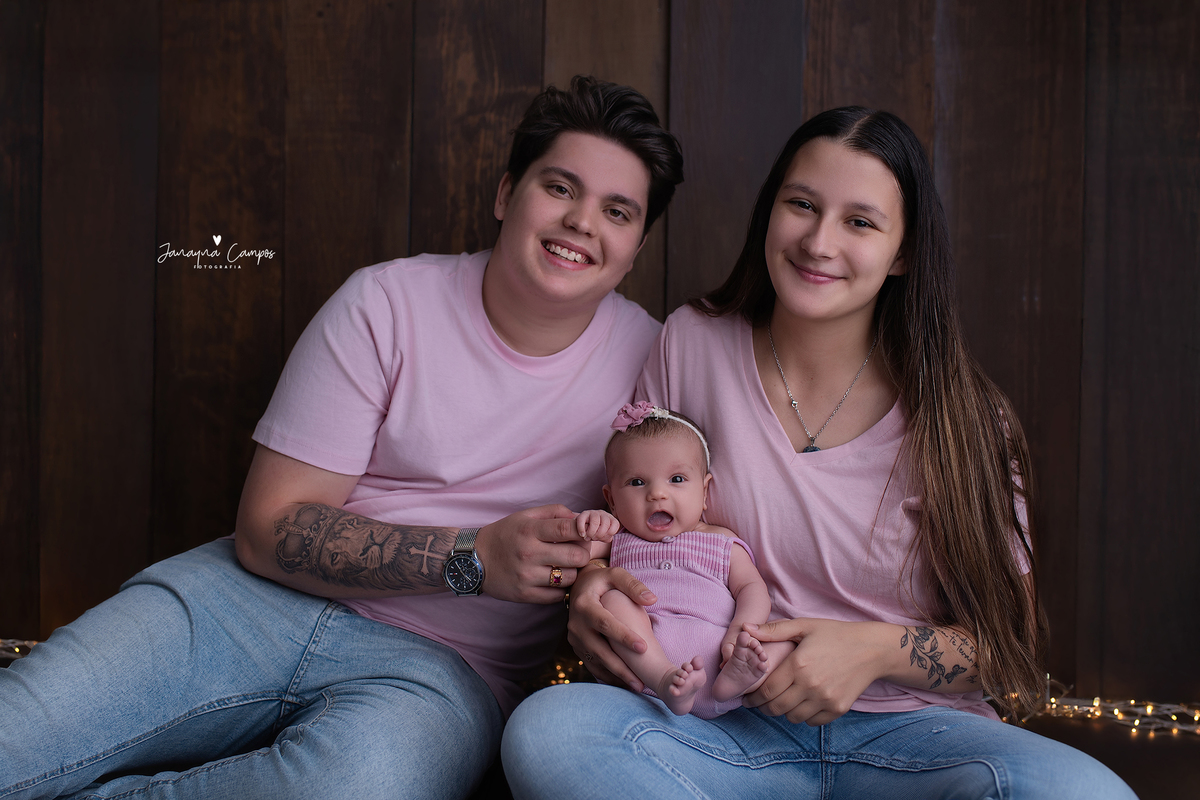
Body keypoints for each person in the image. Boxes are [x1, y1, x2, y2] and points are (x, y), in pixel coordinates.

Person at [0, 75, 683, 800]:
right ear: (506, 193)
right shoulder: (387, 303)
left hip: (442, 677)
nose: (581, 221)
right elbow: (266, 530)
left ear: (637, 247)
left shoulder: (654, 365)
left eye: (617, 211)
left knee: (354, 787)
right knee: (16, 737)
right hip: (250, 604)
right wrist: (472, 557)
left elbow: (683, 530)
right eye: (560, 187)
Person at [502, 107, 1136, 798]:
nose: (818, 242)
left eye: (860, 222)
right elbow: (629, 518)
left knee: (1084, 792)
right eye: (801, 205)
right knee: (550, 731)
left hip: (913, 737)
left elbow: (1006, 649)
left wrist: (870, 652)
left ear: (903, 253)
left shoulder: (967, 420)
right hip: (718, 723)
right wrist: (592, 589)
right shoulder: (692, 343)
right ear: (769, 212)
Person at [573, 402, 792, 719]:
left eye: (676, 479)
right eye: (637, 482)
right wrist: (593, 524)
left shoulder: (721, 540)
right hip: (646, 666)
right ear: (612, 500)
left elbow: (751, 588)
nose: (657, 494)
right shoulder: (618, 538)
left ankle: (735, 683)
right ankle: (664, 677)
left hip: (723, 655)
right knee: (613, 599)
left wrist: (740, 632)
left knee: (787, 642)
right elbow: (576, 551)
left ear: (704, 491)